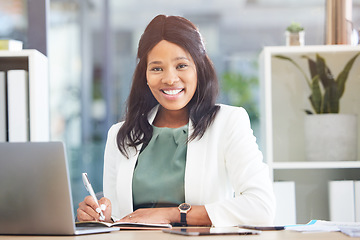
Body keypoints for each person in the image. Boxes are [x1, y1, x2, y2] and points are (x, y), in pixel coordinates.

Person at [77, 14, 275, 227]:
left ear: (199, 68)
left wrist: (174, 214)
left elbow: (261, 207)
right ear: (144, 74)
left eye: (181, 65)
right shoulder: (120, 134)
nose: (170, 79)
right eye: (156, 68)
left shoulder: (228, 122)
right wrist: (101, 217)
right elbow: (120, 219)